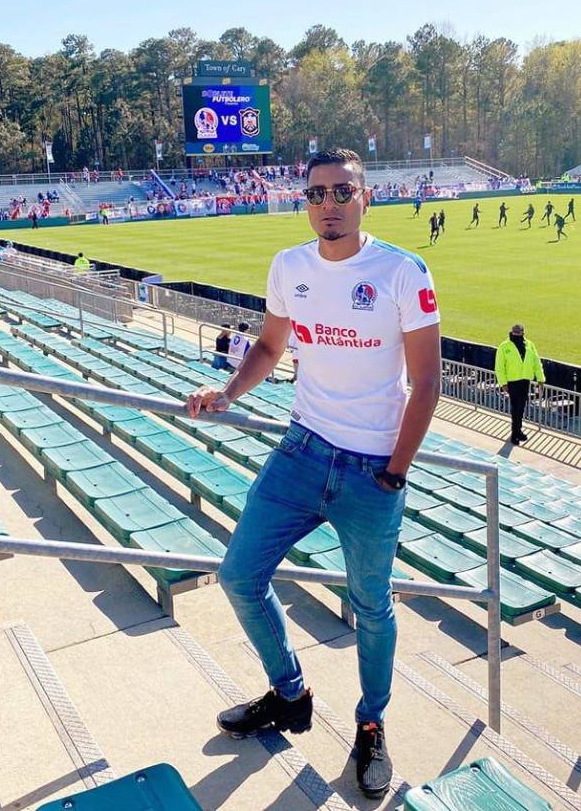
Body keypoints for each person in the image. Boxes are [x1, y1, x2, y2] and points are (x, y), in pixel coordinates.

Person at [186, 148, 441, 799]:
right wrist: (229, 394)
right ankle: (290, 694)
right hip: (302, 451)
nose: (328, 204)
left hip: (371, 471)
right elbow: (271, 347)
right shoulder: (288, 267)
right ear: (304, 201)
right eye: (316, 194)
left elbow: (428, 382)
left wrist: (394, 473)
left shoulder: (402, 272)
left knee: (371, 609)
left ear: (365, 199)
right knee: (239, 574)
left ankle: (371, 725)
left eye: (341, 192)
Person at [495, 324, 545, 445]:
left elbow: (536, 362)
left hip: (524, 380)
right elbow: (499, 367)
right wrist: (503, 383)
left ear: (523, 333)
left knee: (521, 407)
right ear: (512, 332)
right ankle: (515, 433)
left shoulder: (529, 345)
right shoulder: (504, 346)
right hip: (512, 382)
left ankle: (518, 431)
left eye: (519, 332)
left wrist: (540, 379)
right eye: (515, 332)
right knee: (515, 408)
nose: (517, 334)